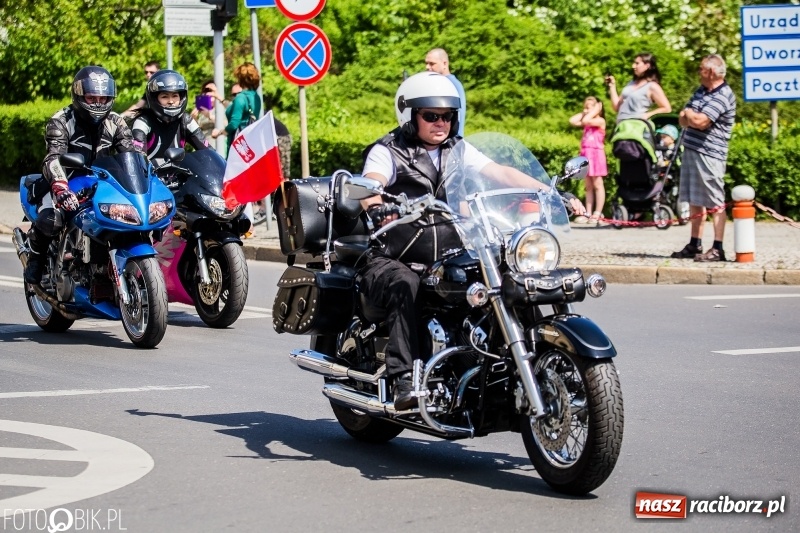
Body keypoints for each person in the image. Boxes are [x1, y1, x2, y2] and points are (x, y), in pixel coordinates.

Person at [358, 72, 584, 409]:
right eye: (431, 115)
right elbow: (371, 182)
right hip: (395, 255)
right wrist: (377, 207)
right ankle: (404, 376)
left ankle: (524, 361)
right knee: (406, 284)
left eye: (448, 115)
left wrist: (549, 192)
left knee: (508, 275)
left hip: (449, 251)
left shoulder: (458, 149)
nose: (441, 123)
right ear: (410, 115)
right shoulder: (387, 151)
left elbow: (500, 172)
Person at [24, 66, 138, 285]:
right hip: (63, 181)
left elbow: (131, 155)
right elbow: (53, 158)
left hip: (101, 184)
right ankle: (36, 259)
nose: (98, 104)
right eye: (91, 98)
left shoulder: (116, 122)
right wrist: (60, 188)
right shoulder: (61, 121)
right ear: (78, 95)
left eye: (103, 98)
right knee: (51, 219)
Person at [670, 54, 736, 262]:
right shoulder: (701, 91)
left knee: (714, 200)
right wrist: (690, 116)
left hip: (710, 153)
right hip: (692, 149)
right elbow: (682, 120)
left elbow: (700, 122)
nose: (698, 72)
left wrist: (689, 114)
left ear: (711, 72)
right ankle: (694, 243)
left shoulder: (723, 94)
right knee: (694, 199)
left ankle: (718, 248)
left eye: (701, 69)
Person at [130, 69, 209, 167]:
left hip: (180, 175)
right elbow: (137, 159)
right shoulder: (143, 122)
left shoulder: (186, 120)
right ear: (154, 98)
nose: (171, 101)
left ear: (182, 97)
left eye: (175, 96)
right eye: (164, 96)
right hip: (151, 176)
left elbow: (208, 151)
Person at [569, 96, 608, 225]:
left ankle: (597, 213)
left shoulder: (600, 121)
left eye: (590, 106)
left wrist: (595, 110)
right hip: (586, 155)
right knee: (588, 186)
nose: (587, 109)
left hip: (596, 155)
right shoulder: (587, 121)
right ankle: (588, 213)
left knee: (598, 184)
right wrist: (585, 112)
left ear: (598, 108)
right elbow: (572, 120)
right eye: (585, 106)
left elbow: (586, 120)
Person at [210, 63, 262, 156]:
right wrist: (220, 98)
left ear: (240, 78)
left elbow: (234, 124)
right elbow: (235, 109)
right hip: (250, 144)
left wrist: (219, 133)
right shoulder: (256, 97)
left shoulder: (240, 98)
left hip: (238, 146)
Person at [605, 53, 671, 122]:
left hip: (637, 125)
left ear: (647, 66)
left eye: (637, 63)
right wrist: (612, 86)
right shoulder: (631, 83)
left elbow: (667, 108)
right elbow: (616, 107)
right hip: (622, 125)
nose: (633, 66)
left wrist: (648, 115)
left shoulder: (652, 86)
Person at [425, 48, 466, 137]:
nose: (427, 67)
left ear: (444, 64)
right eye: (426, 63)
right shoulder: (443, 83)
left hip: (450, 140)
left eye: (432, 64)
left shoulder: (449, 84)